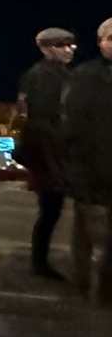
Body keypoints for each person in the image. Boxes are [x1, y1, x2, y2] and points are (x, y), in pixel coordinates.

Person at [16, 27, 76, 280]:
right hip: (50, 155)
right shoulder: (48, 76)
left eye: (71, 44)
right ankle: (40, 263)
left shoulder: (39, 75)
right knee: (51, 210)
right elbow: (48, 119)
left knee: (51, 210)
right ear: (46, 47)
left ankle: (40, 262)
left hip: (46, 154)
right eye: (62, 44)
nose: (70, 49)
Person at [65, 18, 112, 304]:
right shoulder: (85, 77)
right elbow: (74, 131)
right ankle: (99, 292)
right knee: (100, 240)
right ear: (101, 42)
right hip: (95, 174)